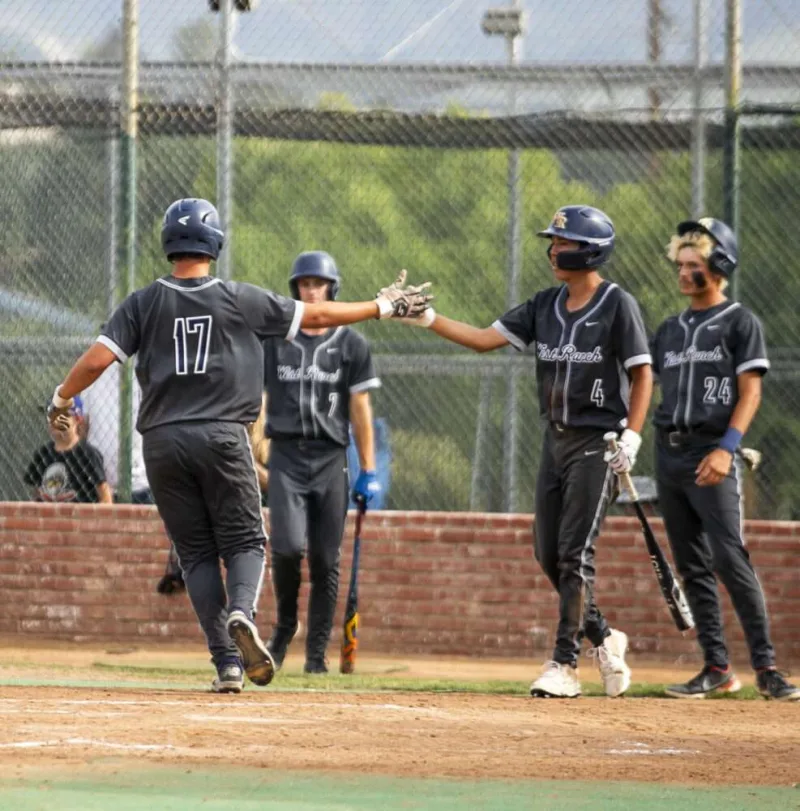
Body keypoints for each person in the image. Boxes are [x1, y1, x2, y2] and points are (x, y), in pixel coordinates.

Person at [45, 197, 431, 694]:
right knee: (246, 542)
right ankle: (242, 614)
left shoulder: (142, 302)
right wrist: (383, 307)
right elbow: (317, 316)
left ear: (168, 242)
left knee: (195, 553)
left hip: (161, 443)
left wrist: (61, 397)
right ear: (214, 243)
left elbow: (98, 360)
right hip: (223, 436)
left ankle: (227, 663)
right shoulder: (237, 297)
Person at [403, 205, 653, 698]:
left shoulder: (617, 304)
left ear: (591, 252)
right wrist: (426, 318)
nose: (554, 250)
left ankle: (564, 664)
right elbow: (482, 340)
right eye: (553, 242)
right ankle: (603, 635)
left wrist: (632, 436)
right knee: (548, 552)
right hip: (555, 440)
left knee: (574, 552)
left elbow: (642, 373)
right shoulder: (545, 305)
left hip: (599, 442)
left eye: (564, 243)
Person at [651, 217, 800, 701]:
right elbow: (645, 383)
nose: (683, 272)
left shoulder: (739, 322)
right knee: (691, 565)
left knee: (730, 559)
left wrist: (726, 448)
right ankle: (716, 667)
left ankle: (768, 669)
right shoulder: (669, 329)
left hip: (711, 451)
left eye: (693, 264)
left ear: (719, 266)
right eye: (680, 263)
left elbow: (750, 393)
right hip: (669, 454)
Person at [263, 251, 383, 674]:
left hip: (331, 458)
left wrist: (369, 469)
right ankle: (284, 627)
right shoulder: (276, 340)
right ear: (295, 289)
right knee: (286, 547)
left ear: (333, 289)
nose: (311, 291)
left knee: (325, 559)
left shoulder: (351, 344)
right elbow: (255, 399)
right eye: (304, 284)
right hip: (286, 456)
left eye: (319, 284)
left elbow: (360, 409)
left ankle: (316, 654)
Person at [82, 367, 187, 594]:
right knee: (102, 559)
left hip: (143, 482)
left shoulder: (150, 370)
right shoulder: (93, 372)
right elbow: (84, 427)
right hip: (98, 484)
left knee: (147, 552)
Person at [25, 396, 112, 504]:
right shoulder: (43, 453)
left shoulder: (88, 454)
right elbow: (36, 495)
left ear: (78, 419)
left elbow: (106, 499)